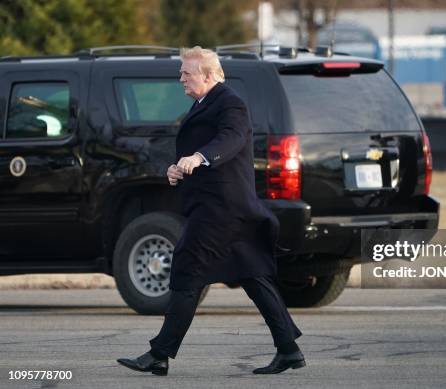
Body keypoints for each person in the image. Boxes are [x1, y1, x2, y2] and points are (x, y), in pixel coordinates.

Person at [117, 46, 305, 375]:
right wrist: (179, 167)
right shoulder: (204, 103)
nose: (180, 79)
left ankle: (160, 353)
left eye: (185, 74)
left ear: (206, 75)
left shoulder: (230, 102)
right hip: (224, 208)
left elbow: (231, 139)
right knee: (253, 276)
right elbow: (201, 149)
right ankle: (289, 349)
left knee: (187, 272)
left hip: (220, 210)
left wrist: (200, 157)